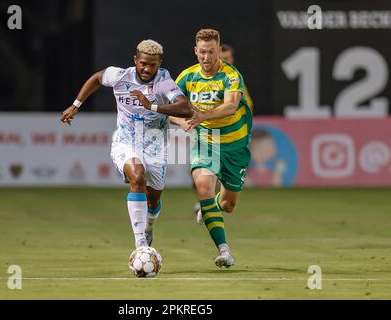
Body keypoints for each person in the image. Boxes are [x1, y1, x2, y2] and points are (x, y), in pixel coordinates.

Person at [61, 40, 192, 249]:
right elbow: (97, 78)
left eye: (152, 65)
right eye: (143, 63)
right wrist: (76, 104)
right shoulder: (120, 75)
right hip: (126, 141)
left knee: (153, 202)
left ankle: (148, 226)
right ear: (135, 60)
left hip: (155, 146)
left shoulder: (164, 81)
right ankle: (140, 245)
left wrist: (152, 106)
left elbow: (186, 108)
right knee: (137, 175)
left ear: (160, 63)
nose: (147, 69)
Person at [170, 29, 253, 268]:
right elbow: (171, 110)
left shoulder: (231, 75)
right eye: (202, 52)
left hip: (235, 145)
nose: (206, 58)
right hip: (206, 140)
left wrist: (200, 115)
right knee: (204, 187)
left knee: (228, 205)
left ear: (219, 51)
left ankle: (212, 207)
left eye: (211, 52)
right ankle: (224, 251)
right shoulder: (186, 77)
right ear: (195, 51)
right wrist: (182, 120)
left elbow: (230, 106)